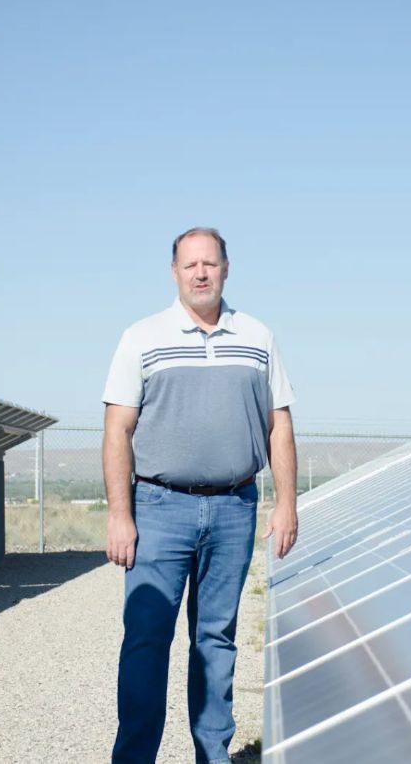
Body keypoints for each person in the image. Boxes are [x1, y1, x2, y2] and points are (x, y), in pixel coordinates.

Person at [103, 227, 299, 764]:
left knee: (216, 640)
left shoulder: (258, 337)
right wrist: (120, 515)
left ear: (226, 268)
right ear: (174, 272)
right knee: (146, 639)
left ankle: (212, 754)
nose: (201, 273)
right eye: (190, 265)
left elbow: (279, 423)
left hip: (235, 507)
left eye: (210, 263)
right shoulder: (142, 337)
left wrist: (286, 503)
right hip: (160, 508)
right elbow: (117, 429)